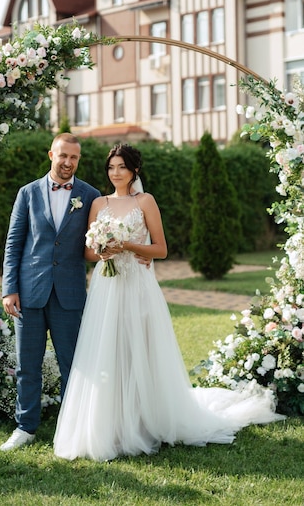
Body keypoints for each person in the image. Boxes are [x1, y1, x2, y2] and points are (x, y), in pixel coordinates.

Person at [53, 143, 285, 461]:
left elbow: (161, 249)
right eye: (111, 167)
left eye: (121, 167)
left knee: (141, 350)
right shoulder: (98, 203)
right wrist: (103, 251)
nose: (115, 173)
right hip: (107, 287)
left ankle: (147, 421)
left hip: (137, 285)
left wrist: (129, 245)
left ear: (134, 170)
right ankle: (112, 424)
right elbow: (89, 253)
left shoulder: (144, 201)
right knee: (109, 350)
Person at [0, 133, 101, 452]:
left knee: (74, 363)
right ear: (51, 155)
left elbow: (95, 242)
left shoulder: (90, 195)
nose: (68, 162)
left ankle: (74, 426)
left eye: (74, 157)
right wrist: (9, 289)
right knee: (27, 365)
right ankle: (25, 427)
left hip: (69, 293)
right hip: (29, 293)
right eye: (63, 156)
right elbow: (14, 243)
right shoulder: (27, 193)